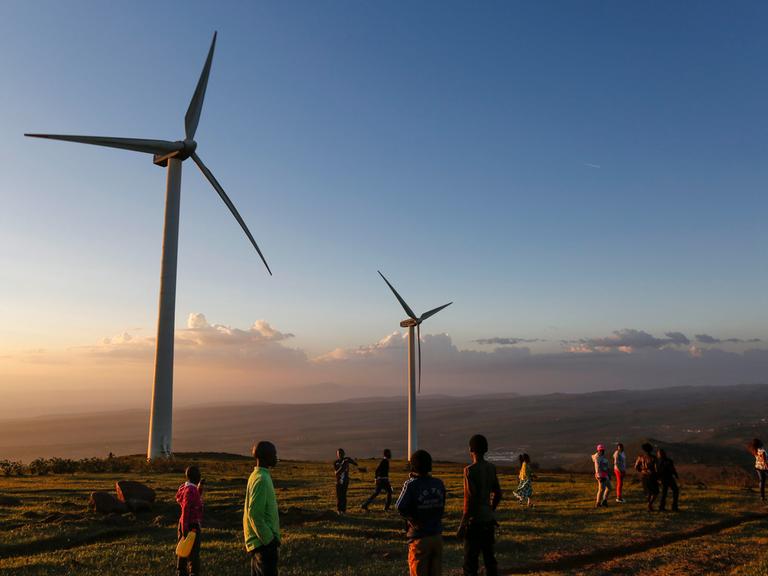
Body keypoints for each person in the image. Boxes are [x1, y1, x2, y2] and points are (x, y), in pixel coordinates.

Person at [457, 434, 502, 576]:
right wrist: (490, 509)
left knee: (470, 563)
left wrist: (462, 525)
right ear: (486, 449)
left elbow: (469, 500)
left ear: (471, 449)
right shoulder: (491, 468)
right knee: (490, 560)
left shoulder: (469, 470)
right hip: (488, 520)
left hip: (474, 522)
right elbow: (498, 493)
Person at [396, 449, 446, 576]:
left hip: (419, 538)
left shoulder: (411, 485)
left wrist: (413, 521)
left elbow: (399, 506)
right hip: (437, 536)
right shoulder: (439, 483)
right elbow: (442, 506)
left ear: (413, 466)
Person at [244, 441, 280, 576]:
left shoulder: (256, 476)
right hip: (263, 545)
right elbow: (254, 514)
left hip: (258, 543)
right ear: (266, 457)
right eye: (274, 454)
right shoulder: (261, 479)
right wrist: (269, 539)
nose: (276, 457)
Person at [176, 465, 204, 576]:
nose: (200, 475)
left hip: (185, 523)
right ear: (196, 477)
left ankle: (181, 571)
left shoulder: (186, 488)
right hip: (190, 525)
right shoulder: (190, 490)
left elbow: (194, 498)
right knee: (194, 553)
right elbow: (186, 508)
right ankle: (192, 572)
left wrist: (200, 487)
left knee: (183, 550)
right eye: (199, 474)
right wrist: (185, 530)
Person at [635, 442, 659, 511]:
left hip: (644, 476)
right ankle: (650, 505)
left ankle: (649, 505)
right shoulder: (653, 458)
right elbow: (656, 469)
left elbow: (636, 467)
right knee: (655, 492)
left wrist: (642, 471)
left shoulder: (640, 457)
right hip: (652, 476)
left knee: (648, 492)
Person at [333, 448, 358, 515]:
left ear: (344, 454)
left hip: (345, 481)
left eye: (341, 453)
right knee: (339, 496)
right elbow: (336, 473)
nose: (340, 454)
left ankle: (343, 510)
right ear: (337, 455)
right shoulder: (336, 462)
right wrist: (342, 466)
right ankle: (339, 510)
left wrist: (351, 461)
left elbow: (355, 463)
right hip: (338, 481)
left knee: (343, 496)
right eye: (339, 453)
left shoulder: (346, 460)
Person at [749, 438, 768, 502]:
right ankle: (762, 497)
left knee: (762, 481)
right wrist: (766, 465)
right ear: (759, 443)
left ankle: (762, 497)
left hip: (758, 467)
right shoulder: (762, 450)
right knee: (762, 481)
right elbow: (764, 458)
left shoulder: (755, 450)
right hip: (764, 467)